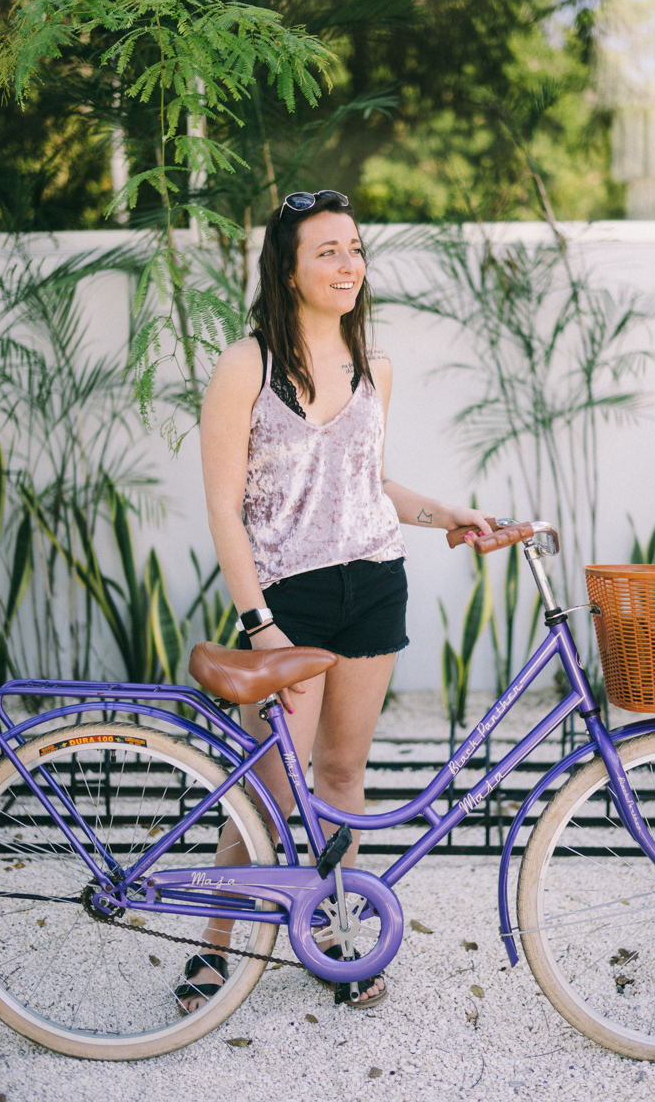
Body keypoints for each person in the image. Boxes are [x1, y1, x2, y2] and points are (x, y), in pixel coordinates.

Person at [179, 190, 494, 1012]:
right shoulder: (245, 365)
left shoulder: (374, 364)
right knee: (269, 789)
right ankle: (214, 944)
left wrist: (442, 514)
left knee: (344, 773)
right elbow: (223, 506)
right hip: (287, 599)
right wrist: (260, 621)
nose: (349, 263)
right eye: (327, 251)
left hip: (373, 586)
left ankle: (336, 934)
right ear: (287, 270)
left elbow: (367, 481)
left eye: (354, 248)